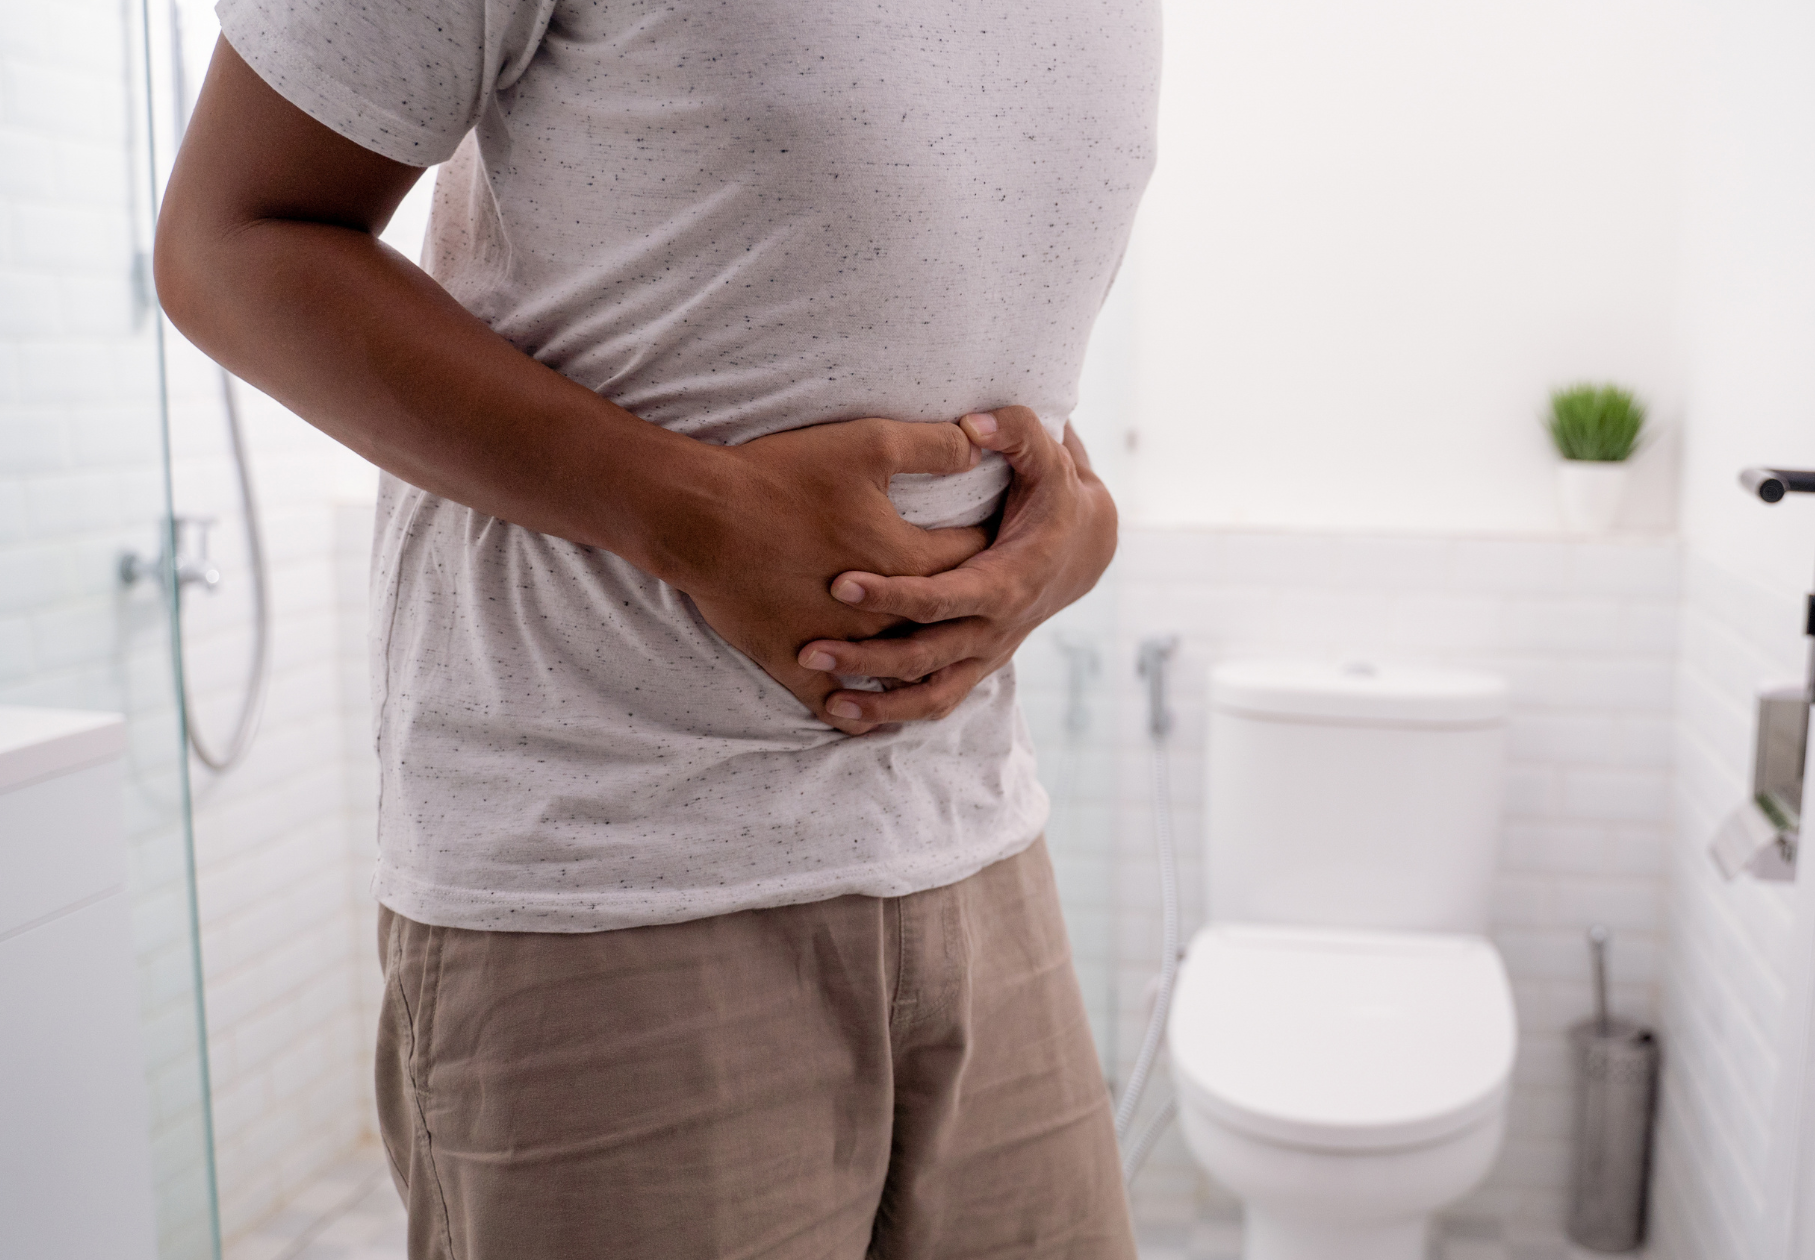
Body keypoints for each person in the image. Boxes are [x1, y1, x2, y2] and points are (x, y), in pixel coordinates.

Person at [154, 2, 1158, 1256]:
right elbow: (229, 239)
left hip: (978, 846)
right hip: (614, 886)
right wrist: (687, 513)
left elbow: (935, 303)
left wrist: (1074, 529)